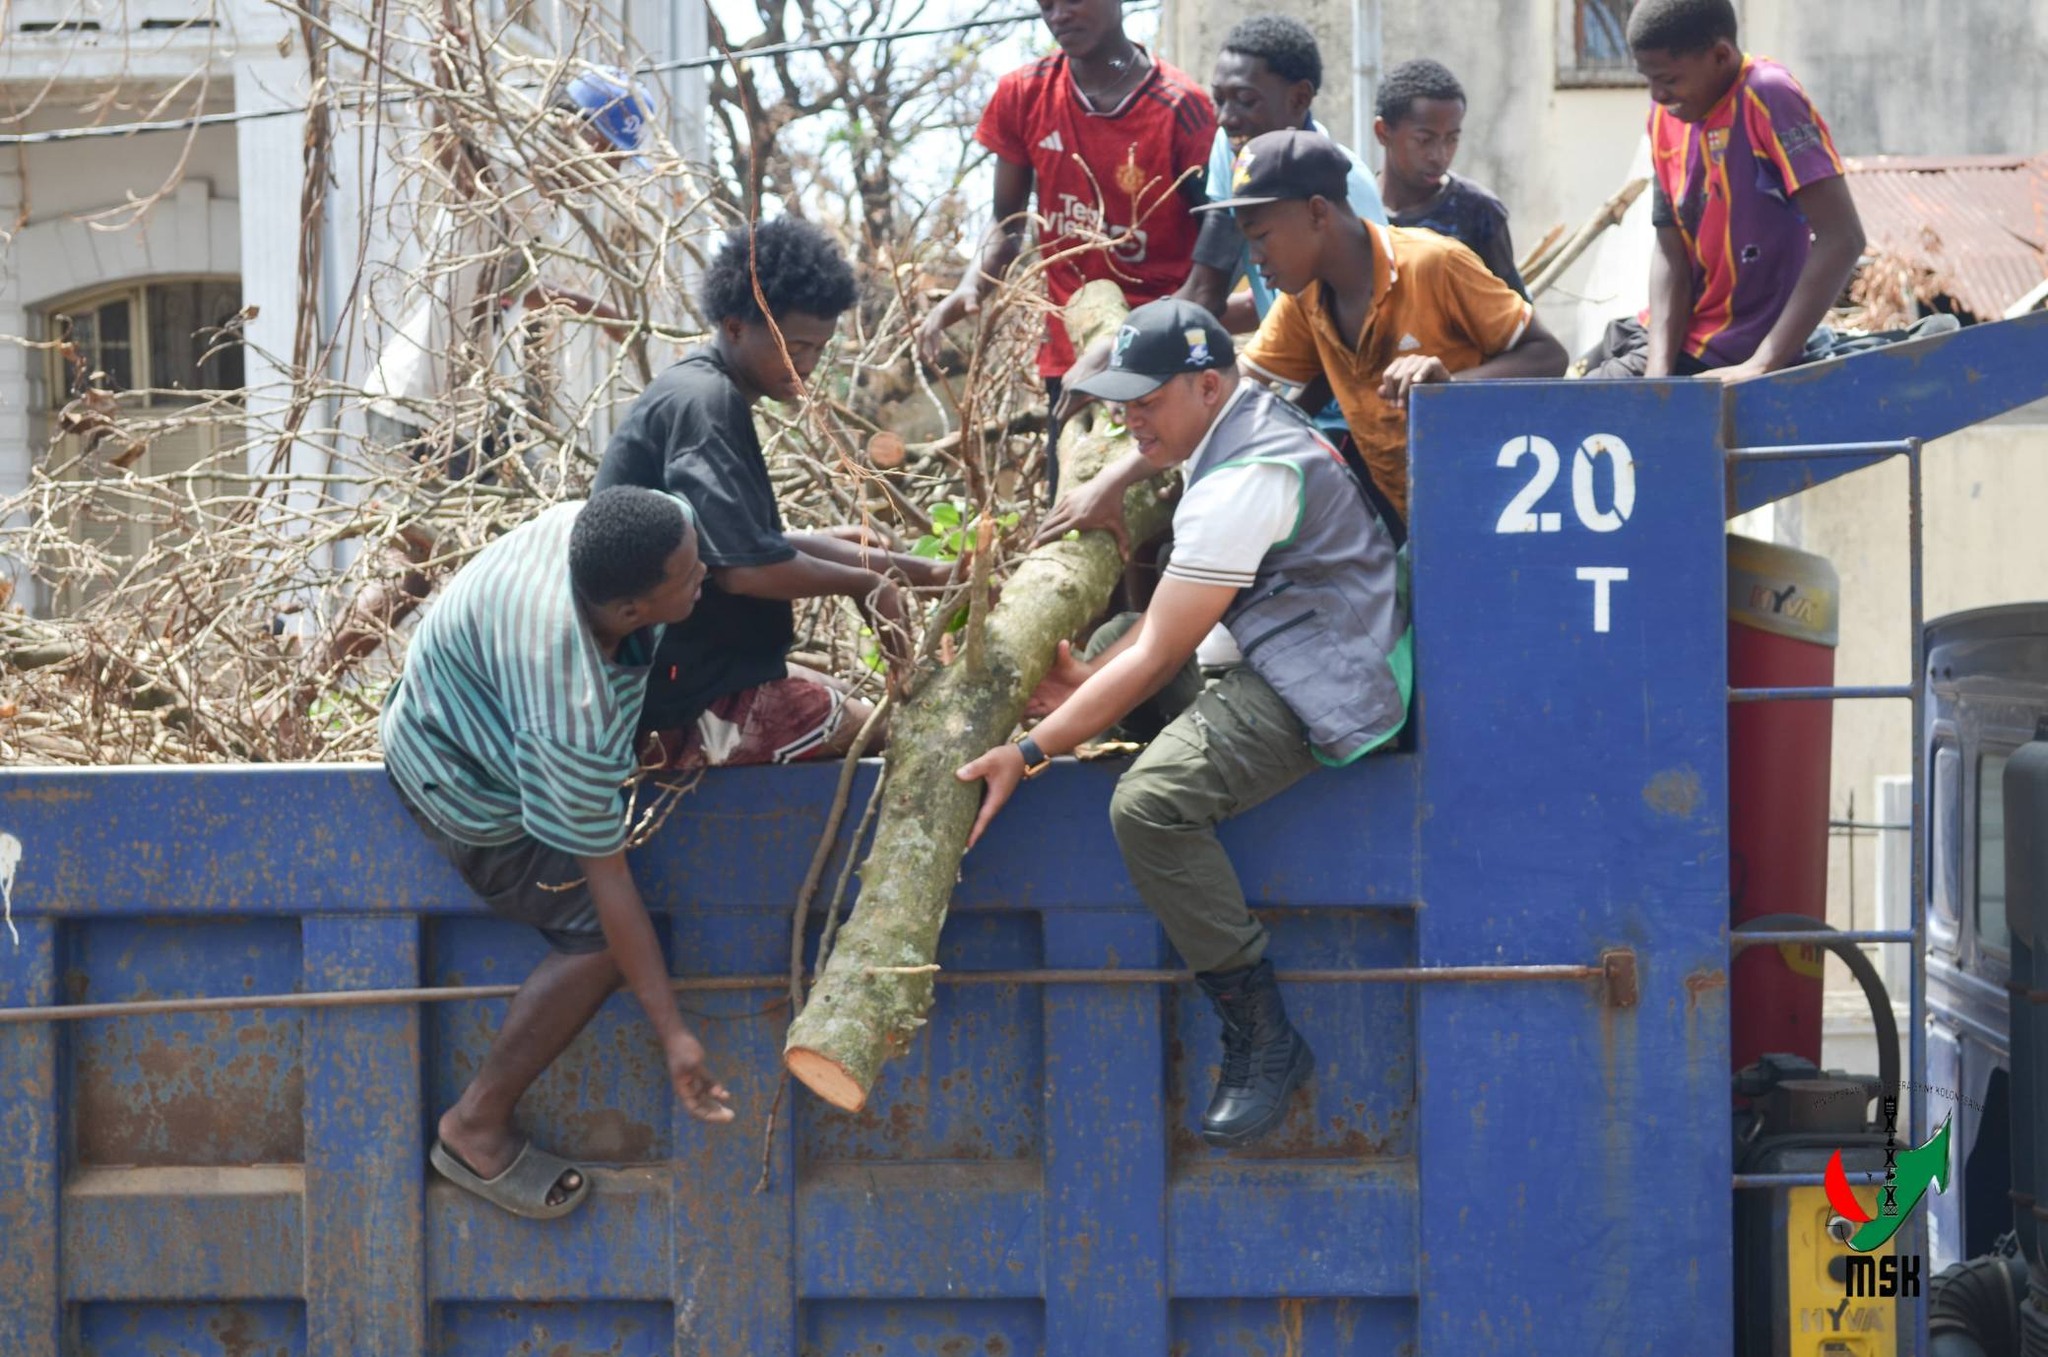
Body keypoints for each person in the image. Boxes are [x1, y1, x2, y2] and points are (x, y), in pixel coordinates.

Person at [957, 299, 1408, 1148]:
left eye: (1146, 401)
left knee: (1149, 804)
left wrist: (1029, 749)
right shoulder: (1239, 418)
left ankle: (1264, 1035)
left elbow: (1162, 654)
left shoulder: (1242, 480)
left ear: (1207, 385)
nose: (1130, 419)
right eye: (1121, 403)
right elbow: (1156, 643)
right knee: (1103, 645)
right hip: (1286, 631)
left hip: (1326, 678)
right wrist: (1097, 680)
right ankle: (1094, 692)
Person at [381, 486, 734, 1219]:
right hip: (462, 778)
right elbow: (610, 891)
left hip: (465, 686)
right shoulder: (570, 709)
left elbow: (713, 553)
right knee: (603, 945)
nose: (704, 568)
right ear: (633, 612)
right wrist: (674, 1034)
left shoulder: (636, 525)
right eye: (688, 574)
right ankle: (472, 1124)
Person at [328, 64, 653, 675]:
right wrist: (448, 59)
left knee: (542, 529)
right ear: (588, 136)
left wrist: (601, 311)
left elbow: (520, 292)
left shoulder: (543, 209)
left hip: (464, 411)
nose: (609, 173)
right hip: (420, 404)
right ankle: (306, 690)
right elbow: (453, 149)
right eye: (610, 155)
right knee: (430, 568)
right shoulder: (505, 178)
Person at [596, 218, 954, 769]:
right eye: (797, 348)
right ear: (736, 328)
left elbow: (746, 545)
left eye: (819, 350)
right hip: (678, 709)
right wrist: (866, 582)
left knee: (852, 701)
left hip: (705, 678)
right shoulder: (706, 405)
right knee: (903, 733)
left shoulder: (706, 389)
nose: (806, 368)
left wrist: (918, 571)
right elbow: (746, 571)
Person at [916, 0, 1216, 493]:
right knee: (1072, 507)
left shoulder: (1181, 108)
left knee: (1156, 517)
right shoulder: (1024, 94)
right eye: (1046, 4)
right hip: (1071, 357)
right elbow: (1008, 222)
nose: (1059, 16)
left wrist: (1170, 327)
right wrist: (972, 286)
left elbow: (1216, 238)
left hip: (1162, 354)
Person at [1056, 14, 1387, 425]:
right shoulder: (1234, 151)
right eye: (1220, 99)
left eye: (1246, 100)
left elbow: (1348, 342)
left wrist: (1267, 425)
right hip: (1286, 379)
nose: (1226, 117)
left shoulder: (1343, 189)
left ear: (1299, 98)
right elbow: (1205, 289)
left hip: (1352, 410)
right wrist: (1120, 350)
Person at [1590, 0, 1864, 380]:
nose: (1657, 95)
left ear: (1720, 56)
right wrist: (1658, 372)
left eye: (1669, 80)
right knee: (1560, 384)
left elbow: (1843, 238)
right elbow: (1671, 249)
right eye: (1648, 79)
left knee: (1576, 410)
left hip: (1733, 351)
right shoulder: (1664, 115)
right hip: (1668, 336)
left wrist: (1762, 364)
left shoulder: (1766, 95)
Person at [1373, 59, 1528, 298]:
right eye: (1425, 140)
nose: (1440, 155)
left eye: (1452, 139)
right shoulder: (1357, 209)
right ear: (1383, 132)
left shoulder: (1479, 214)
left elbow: (1516, 318)